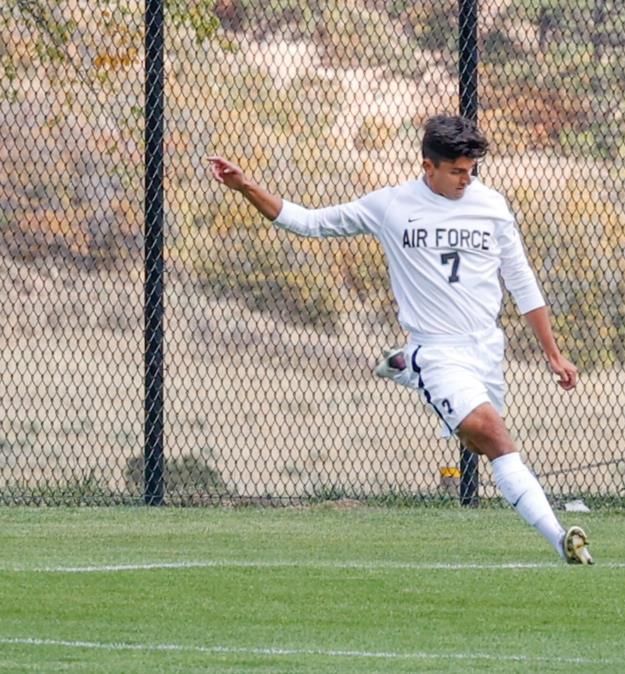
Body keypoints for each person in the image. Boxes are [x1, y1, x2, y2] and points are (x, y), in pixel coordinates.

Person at [207, 114, 593, 564]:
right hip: (437, 348)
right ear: (427, 166)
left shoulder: (491, 205)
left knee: (476, 443)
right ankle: (561, 539)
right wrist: (246, 186)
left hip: (486, 349)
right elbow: (309, 221)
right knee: (493, 434)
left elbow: (521, 279)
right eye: (456, 171)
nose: (465, 180)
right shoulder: (390, 206)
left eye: (471, 171)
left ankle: (407, 368)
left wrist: (553, 352)